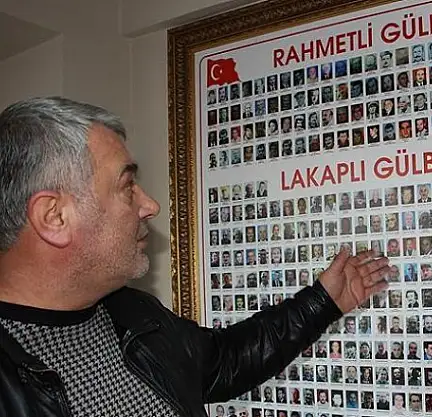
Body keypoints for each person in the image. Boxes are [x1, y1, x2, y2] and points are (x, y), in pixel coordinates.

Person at [0, 97, 393, 415]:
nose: (150, 205)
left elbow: (225, 361)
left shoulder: (131, 314)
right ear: (54, 217)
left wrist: (323, 301)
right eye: (127, 186)